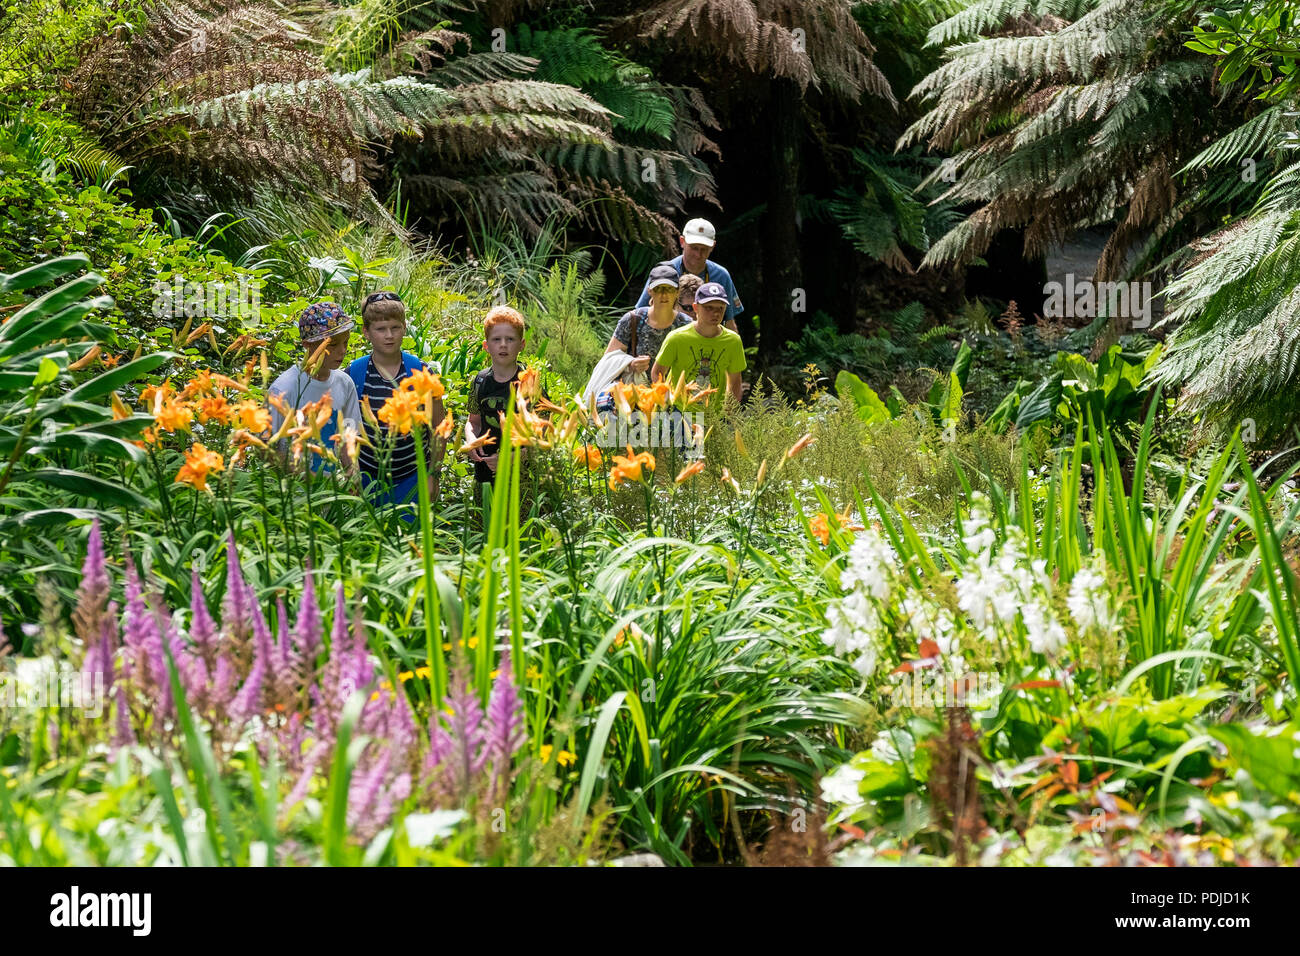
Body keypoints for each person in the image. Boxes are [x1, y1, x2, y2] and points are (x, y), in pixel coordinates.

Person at [346, 291, 445, 509]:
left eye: (395, 328)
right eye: (380, 329)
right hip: (366, 479)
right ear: (366, 332)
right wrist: (349, 471)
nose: (389, 335)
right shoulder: (354, 373)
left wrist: (433, 475)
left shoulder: (420, 371)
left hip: (413, 478)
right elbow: (346, 427)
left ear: (404, 328)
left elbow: (439, 426)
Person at [267, 301, 362, 473]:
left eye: (345, 342)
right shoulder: (283, 389)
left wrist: (351, 471)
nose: (342, 351)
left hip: (330, 489)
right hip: (291, 493)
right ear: (307, 344)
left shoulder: (344, 384)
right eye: (332, 344)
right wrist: (304, 477)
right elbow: (266, 448)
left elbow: (348, 437)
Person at [635, 218, 742, 332]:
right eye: (694, 248)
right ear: (682, 242)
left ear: (713, 247)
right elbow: (640, 314)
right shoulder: (664, 272)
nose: (698, 254)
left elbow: (729, 320)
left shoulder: (721, 275)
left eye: (704, 249)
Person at [652, 281, 746, 406]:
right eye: (709, 308)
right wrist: (667, 402)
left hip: (714, 417)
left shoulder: (733, 341)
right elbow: (657, 373)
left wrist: (730, 413)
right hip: (679, 413)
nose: (716, 313)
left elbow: (735, 381)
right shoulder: (677, 338)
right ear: (696, 307)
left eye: (721, 308)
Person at [465, 305, 529, 485]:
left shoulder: (529, 382)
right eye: (496, 339)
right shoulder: (480, 381)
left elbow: (543, 438)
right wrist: (471, 440)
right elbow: (473, 422)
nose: (503, 344)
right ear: (486, 346)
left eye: (510, 339)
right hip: (484, 475)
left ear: (521, 345)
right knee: (483, 513)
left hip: (522, 480)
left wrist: (510, 459)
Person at [604, 263, 692, 386]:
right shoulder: (633, 320)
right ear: (649, 291)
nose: (664, 295)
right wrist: (630, 364)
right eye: (658, 289)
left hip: (673, 397)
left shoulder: (687, 325)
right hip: (634, 396)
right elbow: (608, 359)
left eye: (669, 289)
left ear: (677, 292)